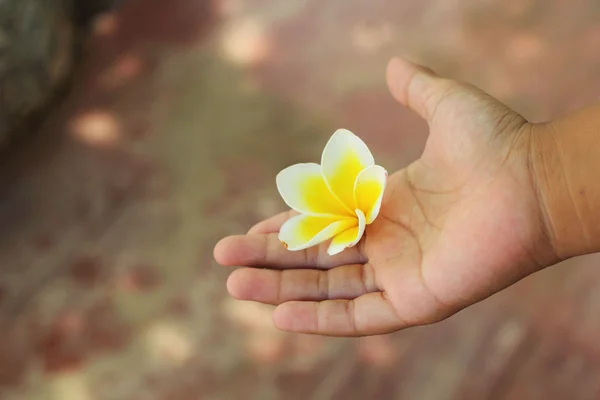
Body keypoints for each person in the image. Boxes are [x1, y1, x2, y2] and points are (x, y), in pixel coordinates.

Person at [213, 57, 600, 337]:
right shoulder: (337, 221)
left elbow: (371, 182)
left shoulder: (369, 194)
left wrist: (538, 182)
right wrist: (542, 183)